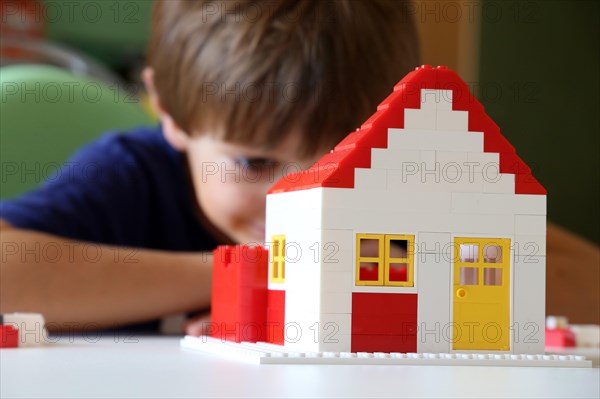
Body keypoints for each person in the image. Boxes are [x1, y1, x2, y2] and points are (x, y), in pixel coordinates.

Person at [1, 1, 598, 336]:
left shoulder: (404, 186)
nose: (303, 196)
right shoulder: (130, 176)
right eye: (255, 162)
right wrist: (254, 277)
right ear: (171, 112)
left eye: (346, 159)